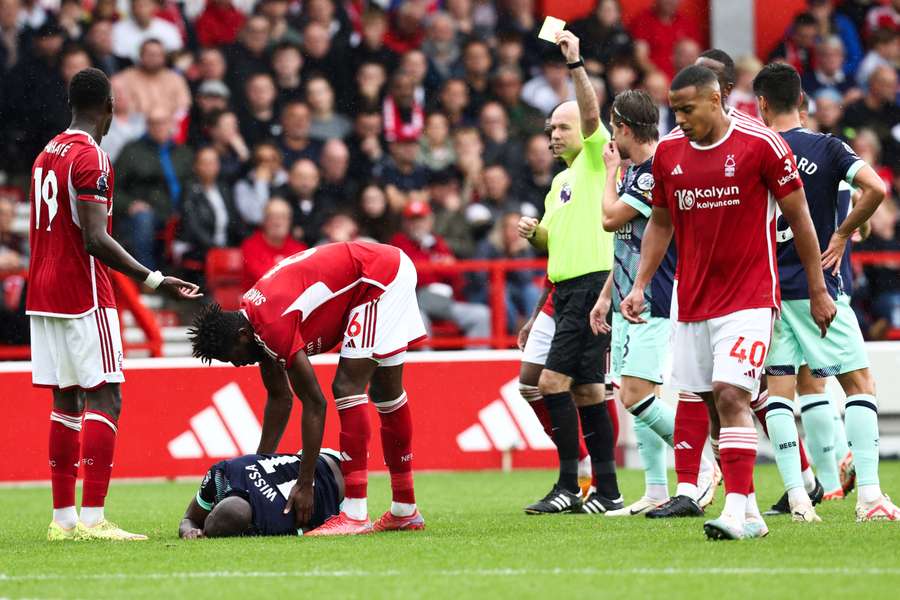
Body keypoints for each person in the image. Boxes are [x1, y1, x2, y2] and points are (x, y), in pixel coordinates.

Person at [620, 64, 835, 540]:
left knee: (734, 393)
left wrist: (818, 289)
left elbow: (800, 219)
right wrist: (640, 285)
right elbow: (659, 222)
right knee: (713, 404)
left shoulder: (762, 145)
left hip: (751, 295)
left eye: (687, 109)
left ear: (716, 100)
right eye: (673, 110)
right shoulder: (670, 153)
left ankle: (735, 510)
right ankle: (753, 512)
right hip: (692, 298)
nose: (678, 120)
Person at [29, 67, 200, 542]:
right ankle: (94, 518)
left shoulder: (47, 153)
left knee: (66, 399)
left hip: (42, 291)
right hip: (82, 292)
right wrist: (153, 278)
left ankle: (63, 520)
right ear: (108, 107)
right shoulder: (93, 157)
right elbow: (95, 238)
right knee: (106, 395)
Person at [188, 241, 426, 536]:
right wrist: (258, 466)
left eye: (232, 358)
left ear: (241, 336)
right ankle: (405, 509)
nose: (237, 365)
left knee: (346, 386)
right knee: (386, 393)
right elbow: (280, 398)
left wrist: (305, 482)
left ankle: (354, 513)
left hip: (378, 278)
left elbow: (315, 403)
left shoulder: (272, 326)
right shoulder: (256, 324)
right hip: (384, 270)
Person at [753, 62, 897, 522]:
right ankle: (870, 497)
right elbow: (875, 188)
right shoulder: (827, 147)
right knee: (858, 383)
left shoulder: (751, 152)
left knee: (779, 393)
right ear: (802, 101)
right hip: (820, 291)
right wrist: (841, 234)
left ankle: (798, 497)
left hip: (768, 293)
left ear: (760, 104)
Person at [588, 90, 718, 517]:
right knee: (633, 392)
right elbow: (629, 245)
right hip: (627, 296)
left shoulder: (649, 173)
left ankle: (702, 465)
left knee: (637, 395)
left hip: (654, 297)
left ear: (624, 128)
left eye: (613, 126)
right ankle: (656, 489)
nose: (611, 138)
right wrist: (607, 295)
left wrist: (609, 173)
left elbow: (609, 220)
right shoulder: (636, 171)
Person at [516, 31, 621, 515]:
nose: (553, 135)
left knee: (551, 383)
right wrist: (536, 233)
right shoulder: (560, 181)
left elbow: (594, 115)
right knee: (586, 389)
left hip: (591, 286)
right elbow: (556, 244)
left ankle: (567, 486)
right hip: (567, 289)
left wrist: (575, 64)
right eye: (550, 129)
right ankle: (607, 490)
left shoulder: (599, 160)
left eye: (562, 127)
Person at [179, 450, 343, 538]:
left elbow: (309, 529)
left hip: (340, 490)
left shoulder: (270, 523)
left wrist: (189, 527)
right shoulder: (222, 473)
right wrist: (189, 530)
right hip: (325, 458)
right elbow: (189, 520)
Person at [240, 197, 307, 291]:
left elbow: (303, 280)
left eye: (283, 217)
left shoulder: (300, 249)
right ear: (264, 220)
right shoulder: (251, 246)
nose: (278, 222)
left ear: (289, 221)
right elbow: (263, 279)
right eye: (273, 217)